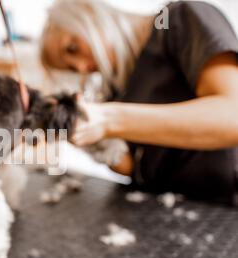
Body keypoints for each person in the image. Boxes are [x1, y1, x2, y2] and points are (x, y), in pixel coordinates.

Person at [40, 0, 238, 204]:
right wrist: (94, 140)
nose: (82, 68)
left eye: (72, 48)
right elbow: (133, 168)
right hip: (170, 212)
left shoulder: (176, 20)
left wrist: (109, 120)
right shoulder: (116, 88)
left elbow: (233, 116)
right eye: (72, 69)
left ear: (88, 11)